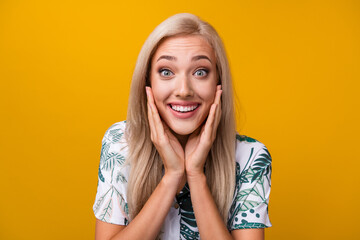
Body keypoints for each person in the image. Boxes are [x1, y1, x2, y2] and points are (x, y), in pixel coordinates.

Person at [93, 13, 272, 240]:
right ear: (147, 82)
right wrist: (172, 177)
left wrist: (195, 175)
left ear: (219, 82)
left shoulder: (250, 156)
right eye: (166, 72)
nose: (184, 90)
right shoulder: (120, 142)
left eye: (200, 72)